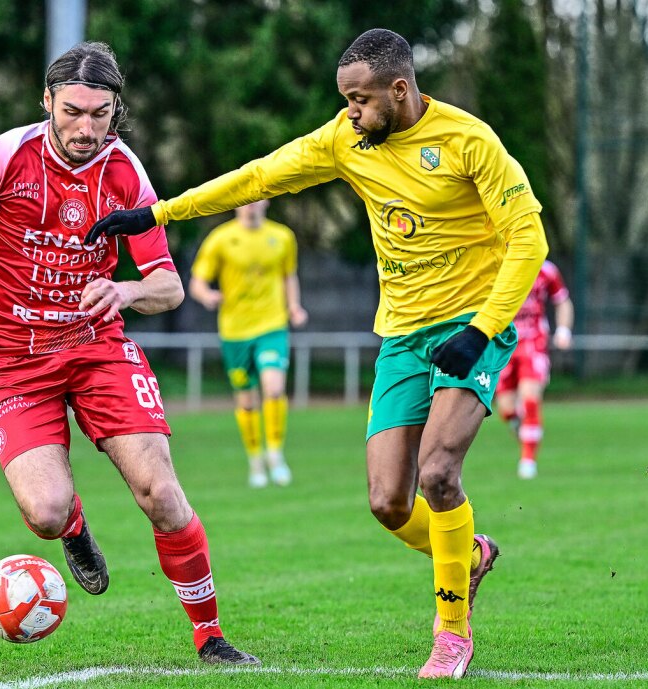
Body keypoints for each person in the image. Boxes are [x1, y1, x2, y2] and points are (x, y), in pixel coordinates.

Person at [88, 29, 548, 678]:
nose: (351, 114)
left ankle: (451, 630)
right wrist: (158, 214)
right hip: (403, 334)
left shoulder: (469, 142)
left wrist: (484, 327)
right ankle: (468, 554)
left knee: (439, 471)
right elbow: (256, 177)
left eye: (360, 100)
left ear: (400, 89)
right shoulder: (344, 139)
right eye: (346, 101)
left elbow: (528, 240)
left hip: (475, 325)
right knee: (389, 500)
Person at [0, 42, 259, 666]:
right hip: (13, 356)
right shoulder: (4, 156)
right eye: (73, 111)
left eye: (100, 114)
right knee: (45, 512)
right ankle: (74, 530)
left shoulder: (125, 172)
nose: (86, 127)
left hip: (97, 347)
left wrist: (125, 289)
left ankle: (209, 636)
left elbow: (168, 285)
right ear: (46, 101)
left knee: (159, 491)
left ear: (115, 110)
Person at [188, 200, 306, 488]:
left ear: (266, 201)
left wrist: (294, 306)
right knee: (246, 399)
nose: (250, 205)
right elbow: (197, 282)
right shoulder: (221, 239)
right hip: (235, 330)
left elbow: (289, 276)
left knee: (274, 388)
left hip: (272, 325)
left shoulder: (282, 236)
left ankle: (275, 453)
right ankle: (255, 460)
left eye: (256, 199)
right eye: (245, 200)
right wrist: (207, 296)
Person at [495, 260, 572, 479]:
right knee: (507, 410)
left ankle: (528, 461)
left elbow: (563, 301)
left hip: (533, 343)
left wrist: (564, 330)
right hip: (504, 343)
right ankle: (528, 430)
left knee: (530, 400)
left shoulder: (545, 270)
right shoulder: (496, 264)